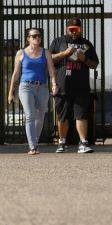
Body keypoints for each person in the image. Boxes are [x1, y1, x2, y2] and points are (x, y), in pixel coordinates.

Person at [50, 18, 99, 153]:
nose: (73, 32)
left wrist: (84, 59)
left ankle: (83, 143)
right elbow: (49, 59)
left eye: (76, 30)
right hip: (62, 86)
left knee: (81, 115)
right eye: (71, 29)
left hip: (81, 87)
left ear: (80, 29)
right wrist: (64, 54)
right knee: (62, 117)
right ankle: (62, 143)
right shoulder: (58, 42)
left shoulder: (86, 44)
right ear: (67, 29)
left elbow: (95, 64)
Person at [8, 28, 58, 155]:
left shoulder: (45, 52)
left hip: (42, 87)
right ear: (28, 39)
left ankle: (34, 142)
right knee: (30, 115)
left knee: (41, 116)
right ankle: (32, 147)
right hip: (26, 87)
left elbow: (52, 70)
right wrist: (10, 92)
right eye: (34, 36)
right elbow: (15, 73)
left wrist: (54, 84)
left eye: (39, 36)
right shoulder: (21, 53)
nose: (37, 38)